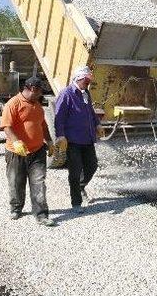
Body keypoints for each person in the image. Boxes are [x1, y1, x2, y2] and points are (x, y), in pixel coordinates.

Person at [0, 76, 56, 227]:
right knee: (16, 182)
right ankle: (16, 208)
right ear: (32, 89)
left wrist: (49, 141)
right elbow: (6, 126)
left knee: (39, 182)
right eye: (39, 92)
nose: (40, 95)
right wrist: (16, 141)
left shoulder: (37, 105)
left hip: (37, 151)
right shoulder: (13, 103)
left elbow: (43, 126)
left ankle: (41, 214)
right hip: (16, 152)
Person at [54, 66, 105, 214]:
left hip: (87, 138)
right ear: (78, 78)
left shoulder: (85, 93)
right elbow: (59, 117)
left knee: (92, 165)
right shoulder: (66, 94)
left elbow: (90, 111)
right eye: (86, 80)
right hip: (73, 140)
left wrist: (98, 124)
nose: (88, 83)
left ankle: (81, 186)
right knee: (74, 172)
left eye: (89, 80)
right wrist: (60, 135)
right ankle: (76, 202)